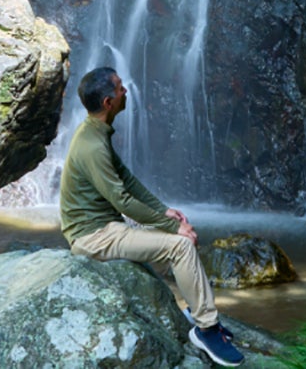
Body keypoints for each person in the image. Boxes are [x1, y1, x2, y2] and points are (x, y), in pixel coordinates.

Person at [59, 67, 245, 367]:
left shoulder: (95, 132)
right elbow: (120, 199)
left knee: (178, 236)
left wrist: (164, 211)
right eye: (120, 88)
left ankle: (197, 312)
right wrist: (174, 228)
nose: (126, 91)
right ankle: (206, 329)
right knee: (180, 245)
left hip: (105, 226)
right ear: (108, 103)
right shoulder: (92, 146)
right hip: (92, 236)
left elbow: (127, 181)